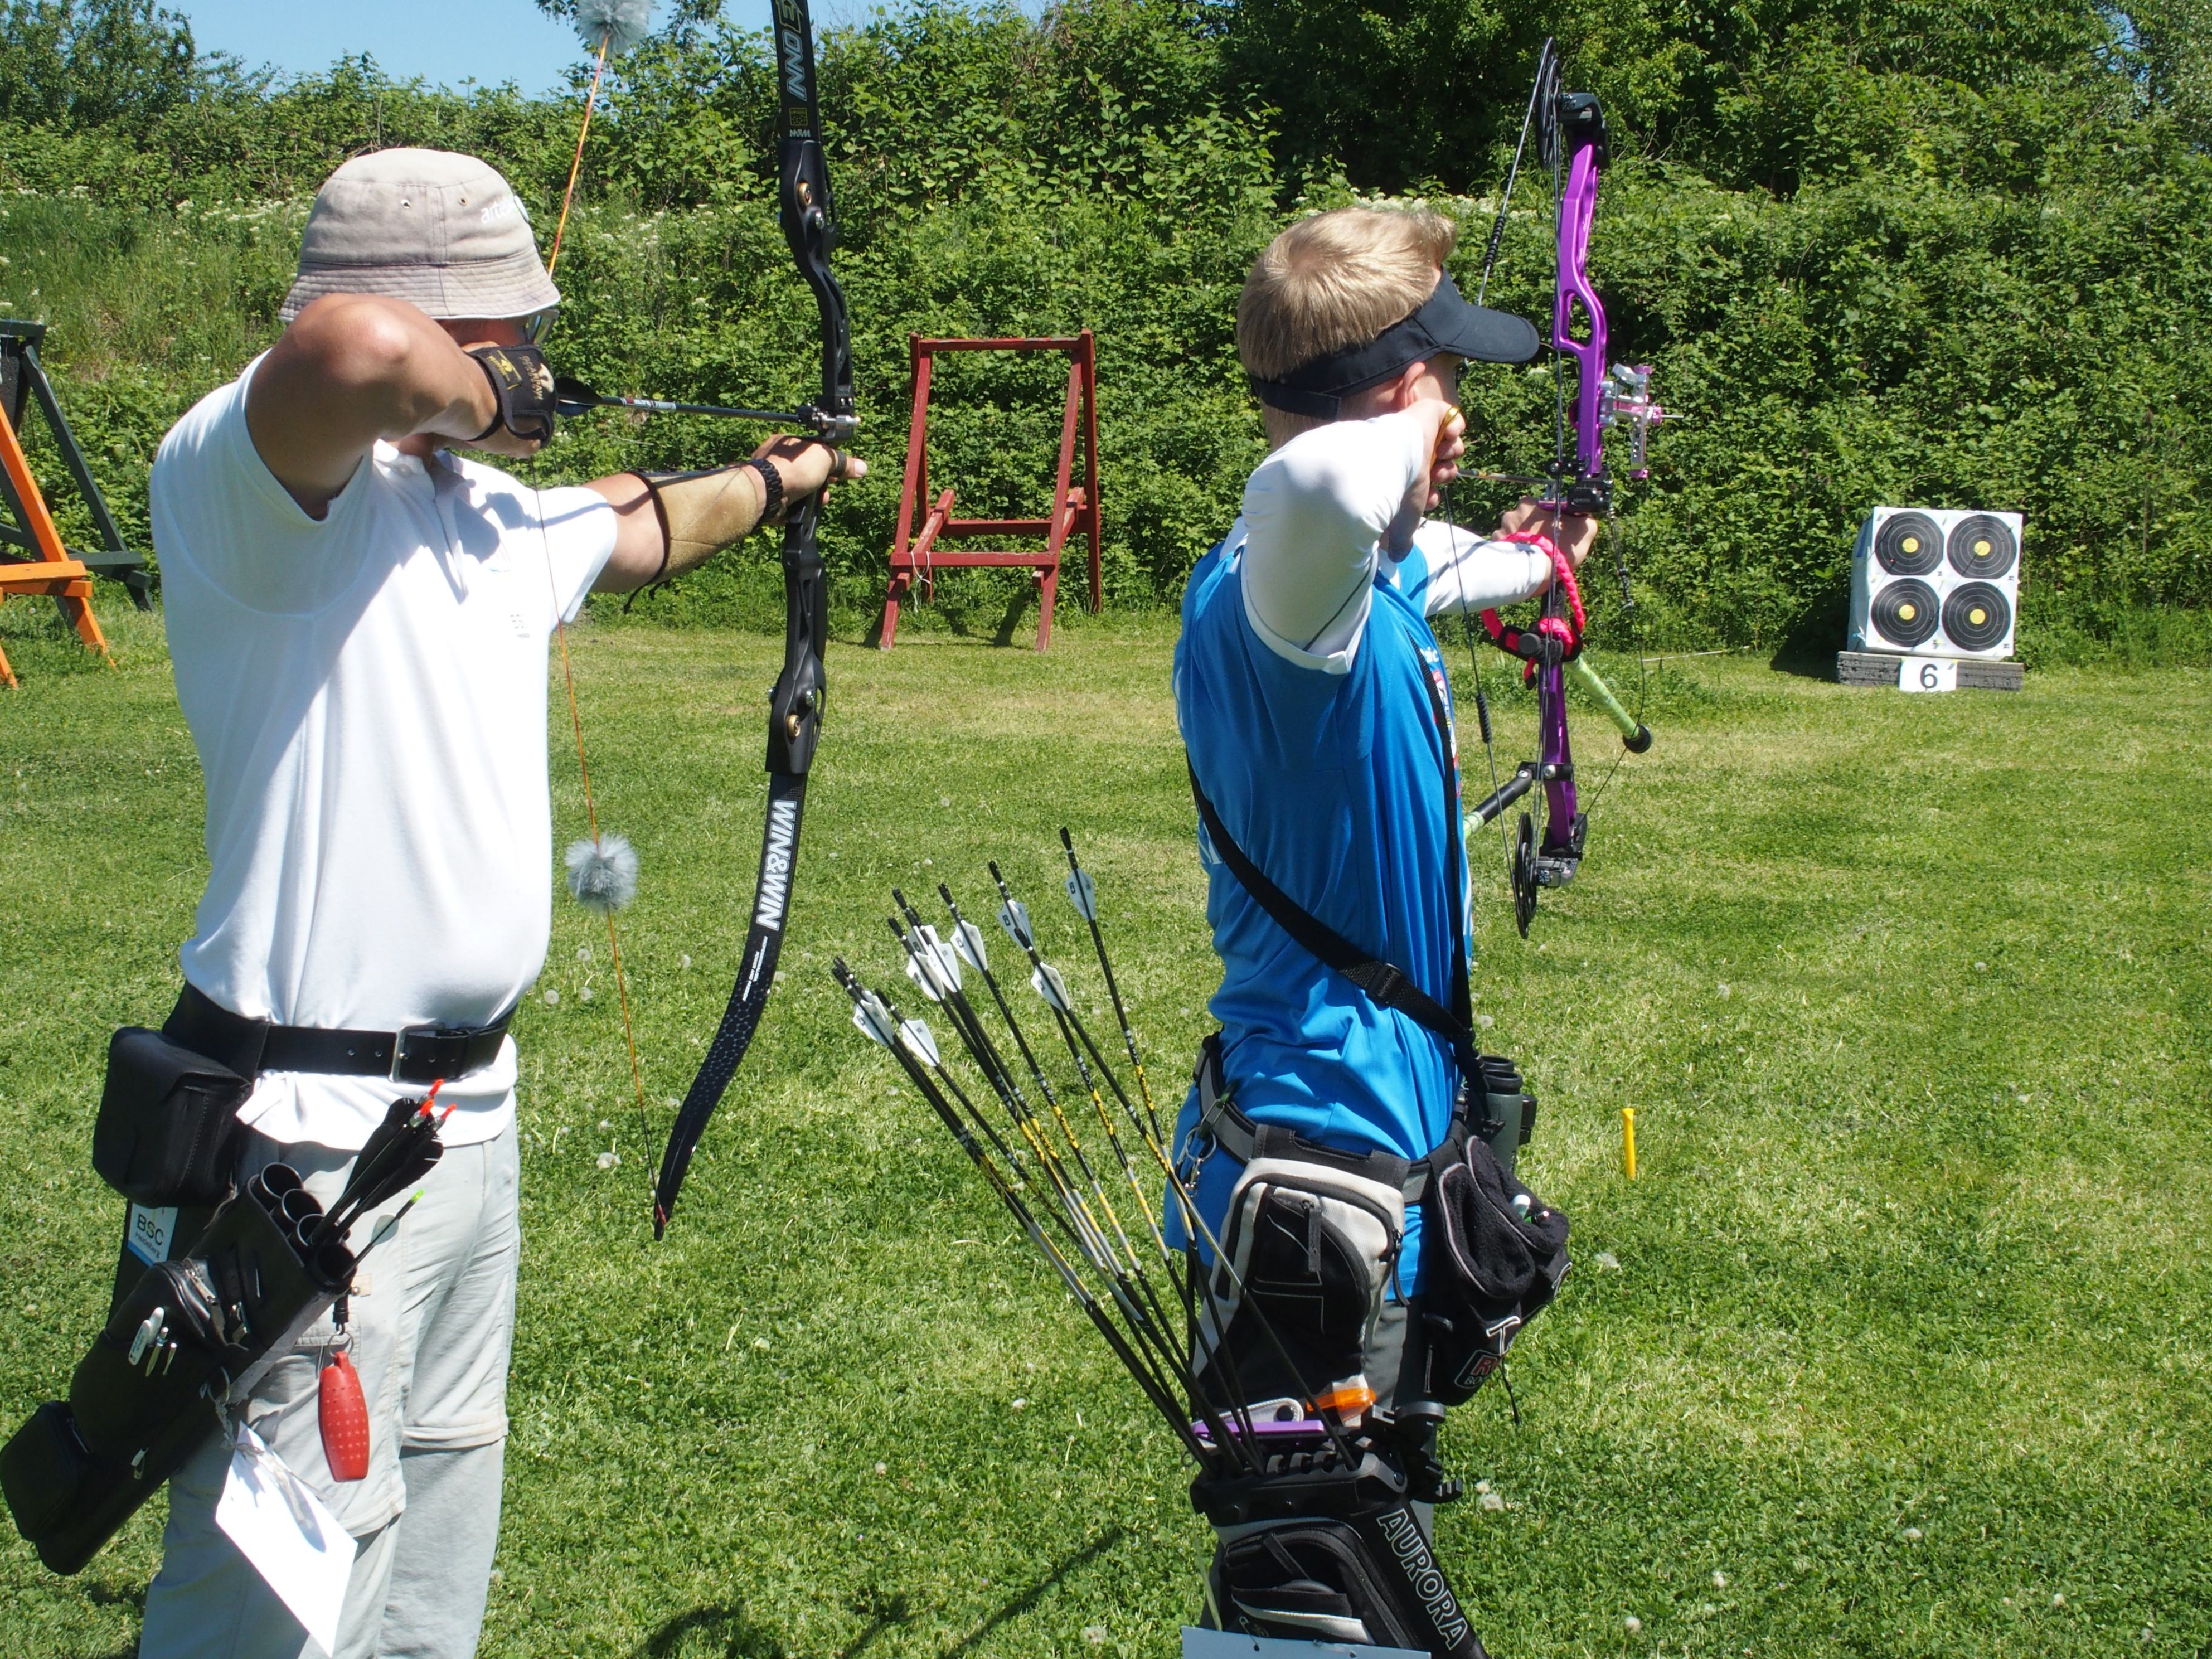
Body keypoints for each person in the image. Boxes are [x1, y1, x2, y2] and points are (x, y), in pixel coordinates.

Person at [133, 147, 862, 1659]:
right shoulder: (249, 481)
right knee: (285, 1576)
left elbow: (643, 525)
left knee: (440, 1513)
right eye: (520, 329)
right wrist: (484, 390)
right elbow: (353, 350)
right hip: (306, 1140)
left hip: (465, 1122)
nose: (541, 351)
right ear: (463, 332)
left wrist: (784, 478)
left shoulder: (486, 517)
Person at [1169, 206, 1593, 1656]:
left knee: (1354, 1545)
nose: (1460, 412)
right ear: (1402, 387)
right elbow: (1310, 479)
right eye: (1445, 379)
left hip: (1377, 1144)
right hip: (1315, 1169)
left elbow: (1439, 563)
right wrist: (1412, 432)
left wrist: (1544, 554)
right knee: (1305, 1599)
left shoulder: (1349, 581)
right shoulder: (1284, 582)